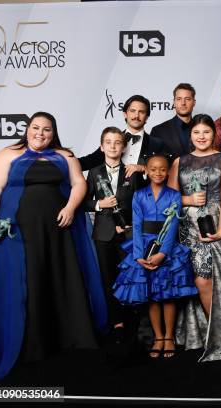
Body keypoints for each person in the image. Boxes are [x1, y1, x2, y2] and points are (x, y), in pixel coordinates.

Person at [0, 112, 107, 380]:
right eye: (36, 128)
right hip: (19, 233)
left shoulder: (65, 156)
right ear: (27, 129)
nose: (40, 133)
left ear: (53, 133)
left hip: (58, 231)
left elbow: (79, 184)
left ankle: (65, 339)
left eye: (46, 129)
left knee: (60, 279)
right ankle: (30, 345)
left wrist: (70, 207)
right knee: (27, 282)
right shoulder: (7, 154)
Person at [112, 154, 196, 358]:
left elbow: (172, 227)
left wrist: (162, 254)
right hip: (143, 245)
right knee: (151, 296)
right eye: (153, 169)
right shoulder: (139, 195)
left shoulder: (174, 195)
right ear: (146, 171)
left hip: (166, 247)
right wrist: (139, 255)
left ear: (168, 172)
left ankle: (169, 337)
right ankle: (158, 337)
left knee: (167, 295)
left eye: (162, 169)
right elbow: (137, 225)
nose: (158, 173)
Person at [171, 114, 221, 362]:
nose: (201, 137)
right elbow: (169, 199)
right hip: (185, 228)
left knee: (205, 280)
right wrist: (188, 200)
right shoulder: (180, 161)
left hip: (211, 224)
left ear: (214, 135)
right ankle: (206, 333)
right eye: (196, 132)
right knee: (193, 282)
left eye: (206, 132)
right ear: (190, 136)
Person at [83, 127, 142, 343]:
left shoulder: (132, 172)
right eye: (108, 142)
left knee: (129, 279)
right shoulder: (94, 172)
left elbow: (139, 204)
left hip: (127, 235)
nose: (113, 146)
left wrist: (128, 225)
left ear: (124, 146)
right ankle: (116, 322)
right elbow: (83, 201)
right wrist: (100, 204)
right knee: (108, 279)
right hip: (103, 234)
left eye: (118, 142)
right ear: (101, 146)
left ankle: (132, 320)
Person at [78, 95, 163, 176]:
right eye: (132, 111)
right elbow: (89, 161)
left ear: (147, 117)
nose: (136, 116)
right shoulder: (112, 139)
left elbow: (165, 170)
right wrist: (66, 160)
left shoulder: (156, 144)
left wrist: (143, 168)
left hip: (143, 190)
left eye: (141, 112)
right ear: (125, 114)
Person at [150, 83, 196, 158]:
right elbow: (152, 162)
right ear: (174, 102)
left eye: (187, 99)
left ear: (194, 102)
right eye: (179, 99)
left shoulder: (204, 129)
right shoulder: (158, 130)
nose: (183, 103)